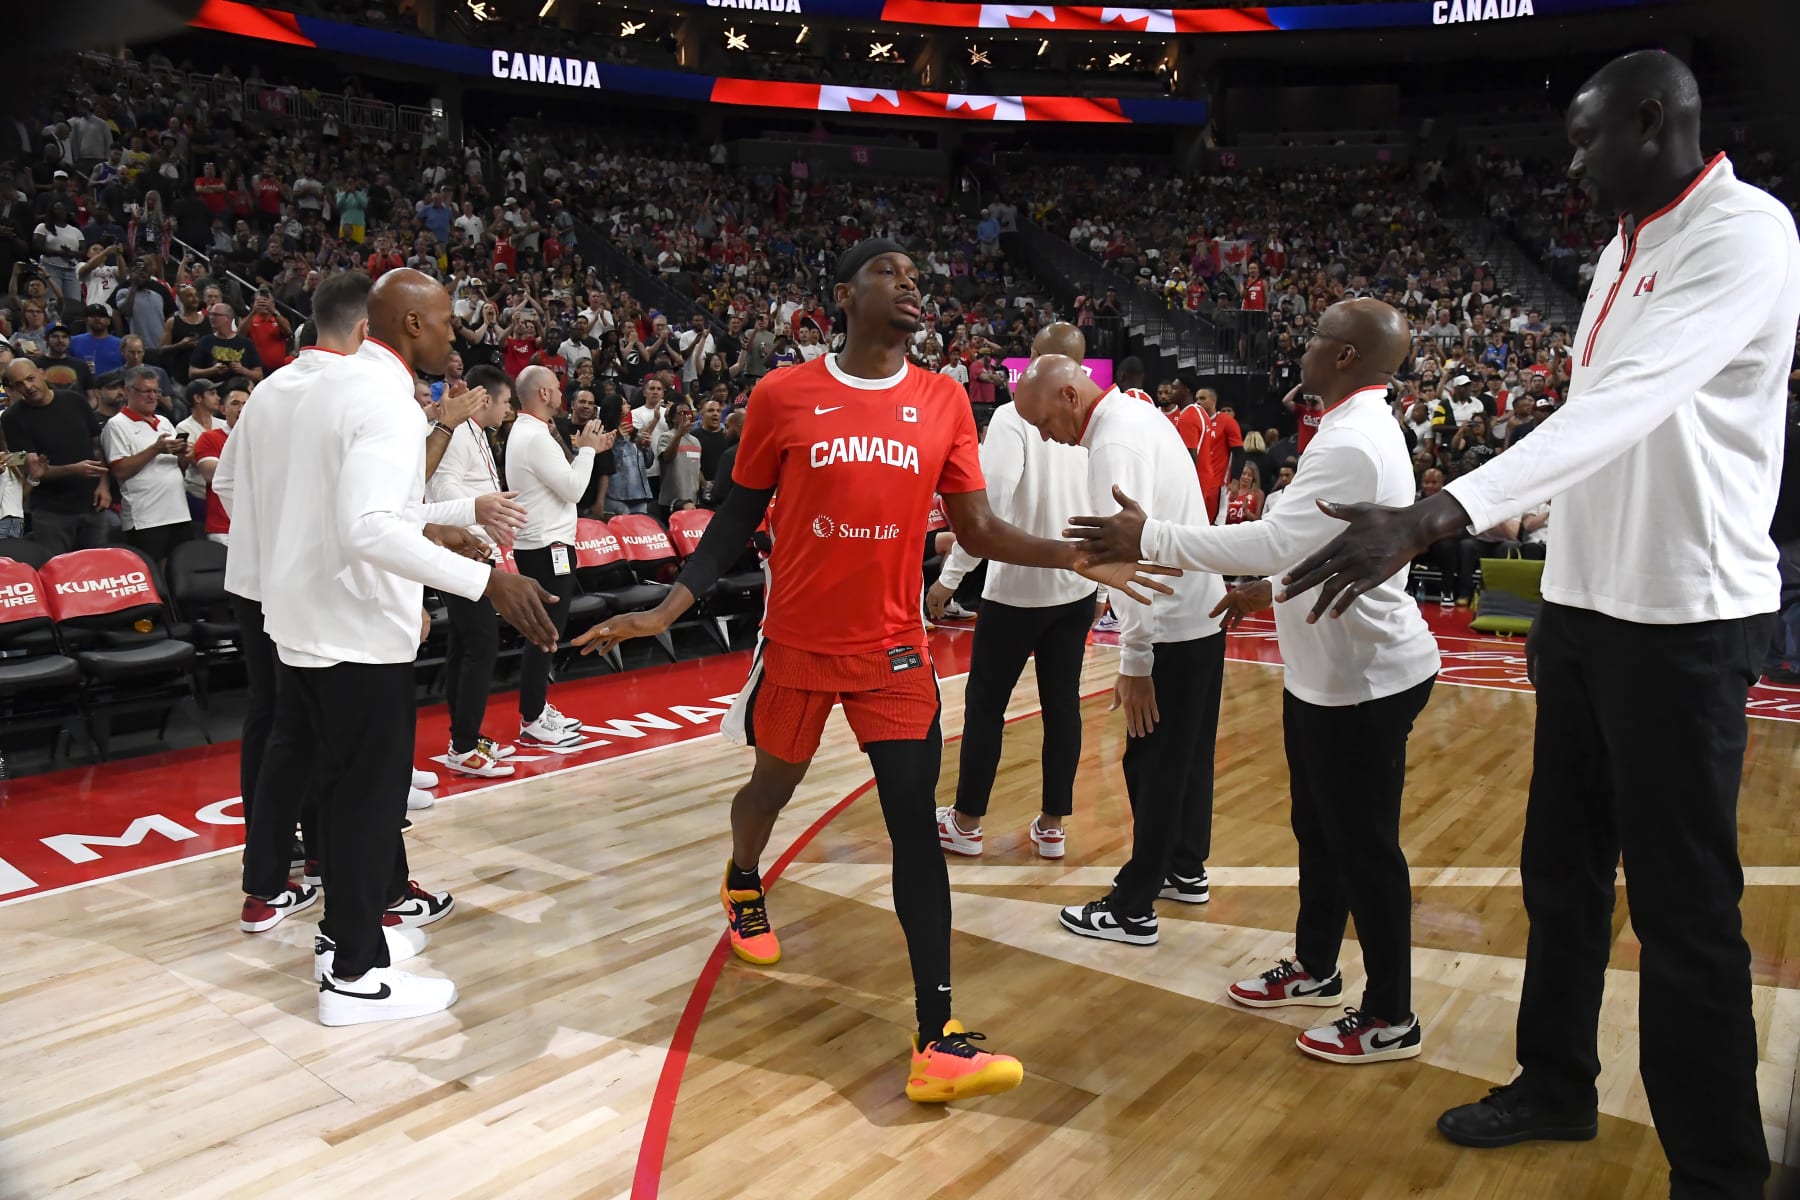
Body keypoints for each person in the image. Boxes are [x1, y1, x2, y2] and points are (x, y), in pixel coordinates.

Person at [1277, 52, 1800, 1199]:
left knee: (1685, 910)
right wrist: (1486, 512)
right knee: (1560, 873)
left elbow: (1628, 405)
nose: (1569, 162)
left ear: (1654, 123)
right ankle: (1557, 1082)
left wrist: (1434, 514)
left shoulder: (1744, 233)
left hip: (1684, 619)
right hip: (1582, 606)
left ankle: (1717, 1170)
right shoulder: (1624, 242)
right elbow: (1592, 433)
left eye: (1586, 139)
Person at [569, 239, 1171, 1103]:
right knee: (770, 789)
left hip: (893, 652)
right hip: (800, 645)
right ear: (845, 295)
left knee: (910, 829)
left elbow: (979, 531)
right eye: (893, 273)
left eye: (919, 275)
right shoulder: (783, 394)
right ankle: (744, 876)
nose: (913, 284)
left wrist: (1076, 558)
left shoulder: (945, 400)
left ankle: (937, 1035)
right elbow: (737, 517)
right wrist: (670, 606)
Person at [1068, 299, 1441, 1065]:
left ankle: (1391, 1013)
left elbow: (1277, 536)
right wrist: (1265, 590)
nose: (1303, 348)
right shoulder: (1348, 429)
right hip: (1328, 674)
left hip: (1365, 678)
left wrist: (1150, 536)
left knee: (1365, 848)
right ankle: (1314, 965)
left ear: (1344, 357)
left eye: (1316, 337)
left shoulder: (1355, 440)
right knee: (1320, 832)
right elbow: (1322, 545)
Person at [239, 269, 557, 1024]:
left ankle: (342, 939)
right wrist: (488, 586)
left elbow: (369, 505)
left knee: (338, 792)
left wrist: (461, 505)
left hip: (301, 620)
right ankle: (354, 975)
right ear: (411, 324)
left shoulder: (321, 386)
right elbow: (370, 527)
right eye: (446, 321)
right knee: (365, 802)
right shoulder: (385, 399)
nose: (458, 335)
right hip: (353, 628)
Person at [1012, 354, 1226, 944]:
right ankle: (1184, 868)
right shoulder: (1139, 413)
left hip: (1168, 627)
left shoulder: (1112, 446)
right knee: (1186, 759)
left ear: (1069, 396)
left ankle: (1133, 907)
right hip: (1200, 614)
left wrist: (1135, 661)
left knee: (1150, 761)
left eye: (1043, 421)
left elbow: (1125, 563)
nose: (1044, 435)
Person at [927, 322, 1096, 862]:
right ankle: (1052, 826)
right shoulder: (1098, 417)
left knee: (986, 709)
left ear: (1035, 362)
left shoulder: (1010, 415)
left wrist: (951, 576)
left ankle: (968, 821)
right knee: (1062, 706)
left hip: (1017, 590)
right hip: (1077, 588)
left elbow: (989, 509)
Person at [506, 363, 612, 750]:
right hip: (546, 548)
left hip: (546, 545)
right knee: (546, 634)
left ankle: (537, 708)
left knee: (547, 632)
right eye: (556, 386)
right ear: (543, 394)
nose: (562, 392)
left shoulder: (533, 433)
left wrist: (586, 450)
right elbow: (573, 490)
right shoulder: (534, 437)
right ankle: (533, 718)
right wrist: (586, 451)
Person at [426, 363, 520, 776]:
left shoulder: (477, 434)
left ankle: (463, 737)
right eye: (504, 402)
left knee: (465, 644)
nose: (507, 410)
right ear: (486, 399)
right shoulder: (460, 432)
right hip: (460, 552)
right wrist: (474, 531)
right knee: (480, 643)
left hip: (471, 548)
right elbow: (443, 487)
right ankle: (463, 746)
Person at [1, 357, 109, 552]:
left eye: (30, 378)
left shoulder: (75, 401)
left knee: (97, 573)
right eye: (19, 384)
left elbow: (97, 446)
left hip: (92, 504)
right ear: (14, 389)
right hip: (51, 513)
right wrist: (74, 470)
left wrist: (104, 484)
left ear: (42, 373)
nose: (28, 386)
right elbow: (36, 471)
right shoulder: (12, 419)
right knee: (56, 572)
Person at [101, 364, 194, 565]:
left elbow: (178, 468)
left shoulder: (164, 421)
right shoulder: (117, 425)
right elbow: (119, 470)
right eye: (146, 391)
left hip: (178, 511)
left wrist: (185, 457)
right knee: (152, 572)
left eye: (156, 391)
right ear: (128, 392)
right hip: (146, 517)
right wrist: (155, 449)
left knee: (179, 571)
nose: (152, 397)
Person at [191, 381, 245, 545]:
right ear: (223, 409)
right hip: (223, 528)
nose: (241, 409)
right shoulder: (209, 438)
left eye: (246, 404)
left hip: (257, 525)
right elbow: (210, 474)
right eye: (235, 403)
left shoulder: (263, 438)